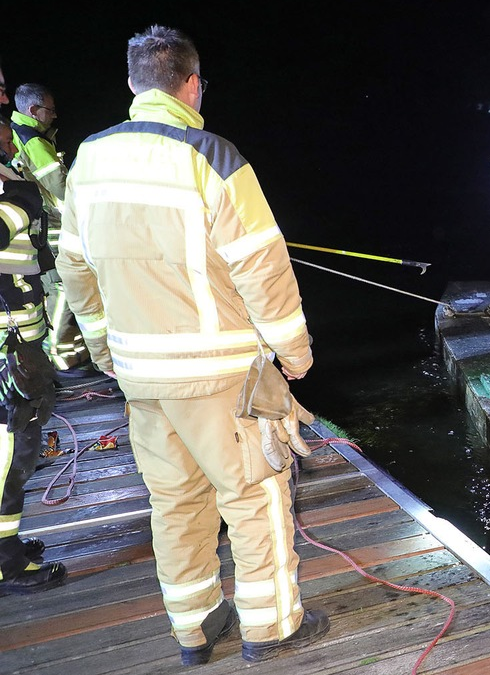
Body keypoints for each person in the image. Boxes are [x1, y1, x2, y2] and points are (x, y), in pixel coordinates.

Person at [56, 26, 328, 664]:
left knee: (174, 502)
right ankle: (271, 627)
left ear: (131, 85)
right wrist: (295, 354)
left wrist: (103, 349)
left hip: (141, 378)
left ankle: (196, 628)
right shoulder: (214, 156)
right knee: (253, 495)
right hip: (223, 378)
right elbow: (262, 265)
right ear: (193, 85)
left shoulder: (88, 159)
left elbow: (74, 271)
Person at [0, 59, 67, 595]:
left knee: (21, 447)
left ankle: (9, 547)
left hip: (20, 336)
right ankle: (4, 563)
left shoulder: (8, 158)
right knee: (10, 456)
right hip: (7, 343)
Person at [9, 83, 90, 374]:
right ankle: (60, 354)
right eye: (50, 110)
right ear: (33, 110)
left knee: (54, 292)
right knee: (63, 289)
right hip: (53, 229)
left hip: (37, 229)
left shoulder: (20, 135)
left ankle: (71, 353)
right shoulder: (33, 141)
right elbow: (60, 186)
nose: (54, 116)